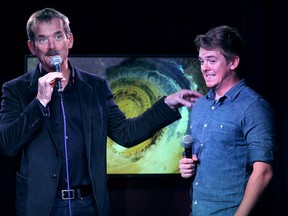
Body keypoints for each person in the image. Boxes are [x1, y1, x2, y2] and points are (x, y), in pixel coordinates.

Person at [0, 7, 202, 216]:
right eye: (42, 39)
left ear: (69, 40)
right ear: (32, 47)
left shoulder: (95, 87)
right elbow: (8, 144)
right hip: (42, 207)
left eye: (58, 36)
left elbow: (126, 133)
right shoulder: (16, 90)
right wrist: (40, 101)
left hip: (88, 205)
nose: (52, 46)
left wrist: (167, 104)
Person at [178, 25, 277, 215]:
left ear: (233, 62)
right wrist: (186, 165)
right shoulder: (200, 106)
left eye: (212, 60)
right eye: (201, 61)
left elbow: (264, 172)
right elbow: (193, 156)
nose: (204, 68)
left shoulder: (253, 107)